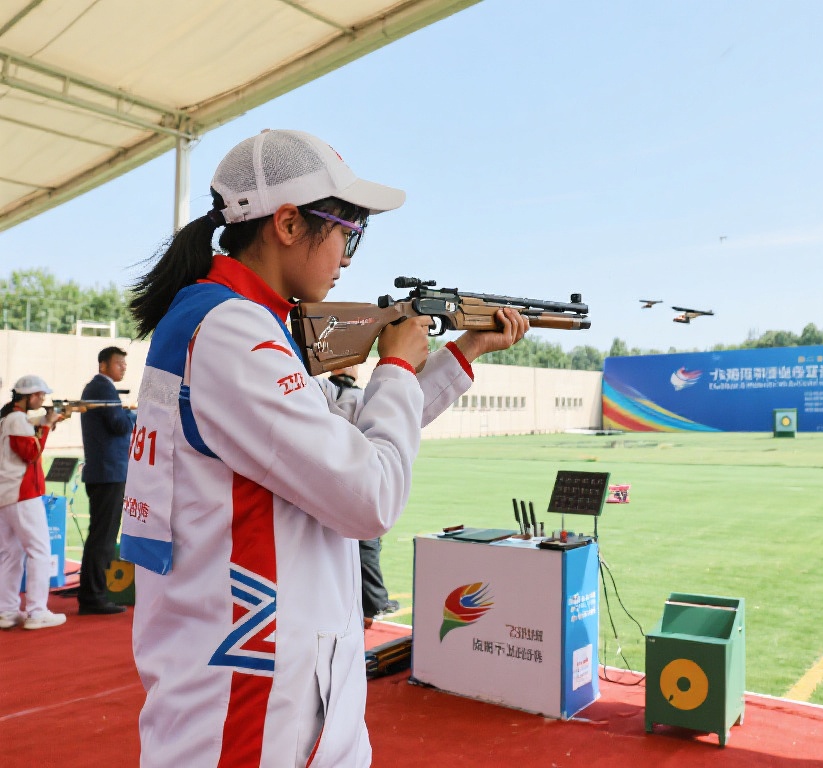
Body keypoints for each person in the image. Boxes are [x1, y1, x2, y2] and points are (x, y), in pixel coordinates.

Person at [122, 128, 528, 767]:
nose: (348, 253)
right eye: (348, 230)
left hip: (273, 680)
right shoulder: (233, 331)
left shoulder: (248, 325)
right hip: (251, 701)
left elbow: (352, 436)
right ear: (286, 223)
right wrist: (393, 367)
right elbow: (368, 494)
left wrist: (461, 352)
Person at [319, 367, 399, 628]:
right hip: (358, 483)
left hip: (326, 486)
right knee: (369, 549)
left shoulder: (317, 393)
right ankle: (374, 604)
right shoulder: (359, 398)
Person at [0, 375, 68, 630]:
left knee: (10, 554)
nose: (42, 399)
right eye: (39, 395)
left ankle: (6, 611)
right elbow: (31, 452)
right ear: (27, 396)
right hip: (22, 494)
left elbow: (30, 431)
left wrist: (46, 422)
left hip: (7, 496)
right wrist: (48, 425)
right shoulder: (17, 419)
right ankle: (37, 611)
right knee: (39, 551)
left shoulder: (8, 418)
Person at [77, 346, 136, 615]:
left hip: (104, 470)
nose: (123, 367)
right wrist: (134, 414)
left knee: (100, 536)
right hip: (109, 471)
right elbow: (120, 425)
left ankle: (92, 593)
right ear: (104, 366)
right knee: (103, 538)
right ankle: (93, 596)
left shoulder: (99, 388)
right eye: (118, 363)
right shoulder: (103, 388)